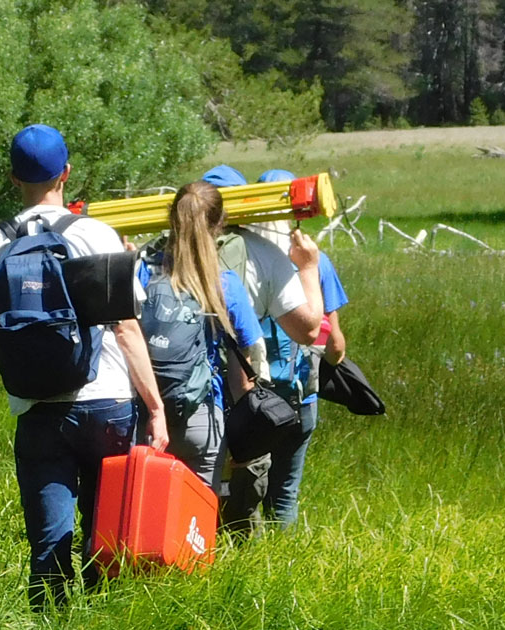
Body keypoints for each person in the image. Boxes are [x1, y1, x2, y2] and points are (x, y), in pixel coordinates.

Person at [0, 124, 168, 610]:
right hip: (108, 400)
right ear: (66, 173)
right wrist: (155, 409)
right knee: (106, 529)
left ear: (14, 178)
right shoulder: (96, 234)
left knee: (49, 544)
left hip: (37, 406)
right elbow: (127, 329)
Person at [200, 165, 323, 534]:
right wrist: (310, 268)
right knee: (251, 491)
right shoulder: (267, 254)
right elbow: (309, 329)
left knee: (196, 490)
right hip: (243, 397)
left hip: (187, 393)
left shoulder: (166, 251)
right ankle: (245, 564)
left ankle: (191, 559)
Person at [135, 181, 262, 493]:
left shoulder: (143, 273)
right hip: (201, 418)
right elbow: (242, 378)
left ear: (171, 218)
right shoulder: (226, 286)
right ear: (220, 223)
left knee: (142, 512)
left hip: (144, 418)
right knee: (196, 519)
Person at [251, 168, 350, 529]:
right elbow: (334, 345)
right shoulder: (315, 260)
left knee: (245, 488)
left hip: (250, 397)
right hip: (299, 397)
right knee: (285, 493)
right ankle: (281, 564)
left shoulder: (243, 255)